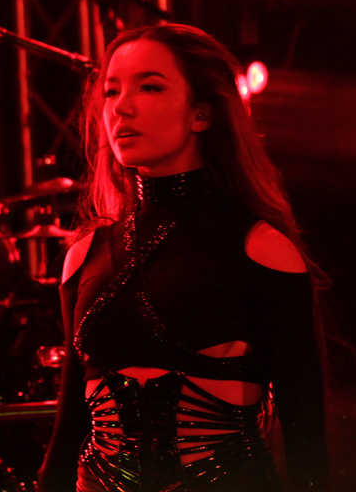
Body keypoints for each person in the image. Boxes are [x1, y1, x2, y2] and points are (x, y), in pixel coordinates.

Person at [38, 24, 328, 492]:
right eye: (111, 91)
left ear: (202, 113)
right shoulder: (82, 257)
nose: (122, 107)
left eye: (150, 87)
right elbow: (70, 426)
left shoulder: (259, 249)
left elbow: (306, 432)